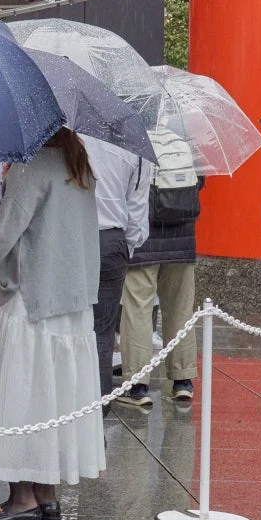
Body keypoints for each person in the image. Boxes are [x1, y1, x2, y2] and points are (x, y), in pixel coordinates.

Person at [0, 129, 104, 520]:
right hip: (71, 307)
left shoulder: (30, 168)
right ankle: (45, 495)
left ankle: (22, 499)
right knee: (50, 403)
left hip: (29, 302)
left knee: (21, 398)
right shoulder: (76, 163)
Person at [120, 125, 202, 406]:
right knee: (180, 309)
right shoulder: (182, 142)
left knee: (138, 310)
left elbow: (127, 189)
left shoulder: (132, 143)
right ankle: (182, 381)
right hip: (183, 241)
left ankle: (137, 385)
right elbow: (197, 185)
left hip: (144, 241)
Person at [83, 135, 151, 397]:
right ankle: (98, 406)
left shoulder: (71, 135)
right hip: (112, 240)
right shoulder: (134, 144)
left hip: (73, 235)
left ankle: (70, 408)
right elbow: (137, 212)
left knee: (69, 326)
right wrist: (127, 246)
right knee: (102, 331)